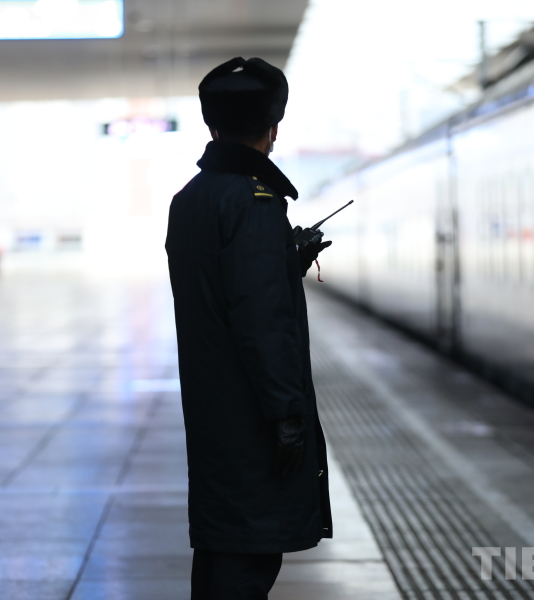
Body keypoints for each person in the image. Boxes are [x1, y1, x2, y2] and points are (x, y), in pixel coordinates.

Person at [165, 56, 334, 600]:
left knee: (221, 547)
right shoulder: (255, 201)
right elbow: (261, 320)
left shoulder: (191, 197)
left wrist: (284, 263)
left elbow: (221, 289)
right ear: (273, 127)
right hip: (252, 415)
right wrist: (286, 414)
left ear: (211, 125)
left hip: (212, 406)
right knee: (249, 556)